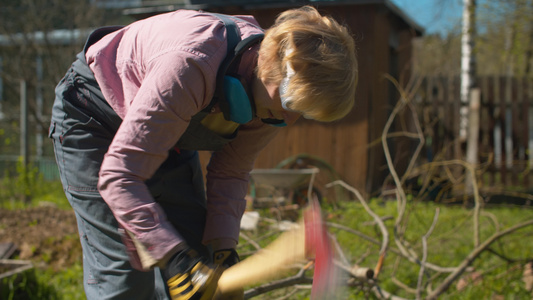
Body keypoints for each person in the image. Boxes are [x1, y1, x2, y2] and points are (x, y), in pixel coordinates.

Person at [49, 5, 357, 300]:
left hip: (168, 130)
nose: (289, 118)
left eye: (304, 112)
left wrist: (224, 250)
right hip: (95, 117)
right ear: (272, 57)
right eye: (292, 103)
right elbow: (121, 176)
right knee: (126, 277)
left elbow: (231, 171)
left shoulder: (272, 101)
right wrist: (173, 256)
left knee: (201, 263)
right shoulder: (192, 62)